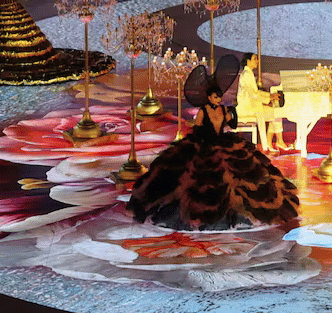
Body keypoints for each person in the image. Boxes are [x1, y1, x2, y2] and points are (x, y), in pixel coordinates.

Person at [126, 55, 300, 230]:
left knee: (240, 171)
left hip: (221, 140)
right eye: (215, 97)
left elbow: (230, 123)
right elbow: (198, 127)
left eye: (219, 97)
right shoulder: (204, 111)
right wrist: (200, 139)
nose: (218, 99)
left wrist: (231, 117)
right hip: (205, 141)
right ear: (209, 98)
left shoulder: (224, 109)